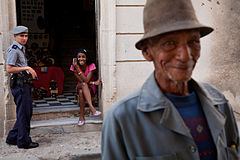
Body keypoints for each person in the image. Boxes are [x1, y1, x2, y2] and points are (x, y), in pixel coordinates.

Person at [101, 0, 240, 159]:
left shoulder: (219, 102)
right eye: (169, 43)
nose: (186, 56)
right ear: (147, 52)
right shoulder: (121, 119)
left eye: (193, 41)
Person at [5, 26, 39, 149]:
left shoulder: (21, 48)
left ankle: (13, 137)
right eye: (21, 36)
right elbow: (9, 68)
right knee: (24, 113)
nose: (24, 38)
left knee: (24, 113)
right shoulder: (14, 49)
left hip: (23, 83)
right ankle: (24, 142)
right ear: (15, 36)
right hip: (19, 84)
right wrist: (27, 68)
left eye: (26, 36)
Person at [70, 48, 101, 126]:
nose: (81, 59)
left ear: (86, 58)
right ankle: (92, 109)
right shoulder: (74, 67)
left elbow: (87, 81)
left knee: (81, 92)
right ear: (76, 58)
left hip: (90, 88)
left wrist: (91, 83)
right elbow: (82, 81)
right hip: (80, 85)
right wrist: (94, 82)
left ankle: (81, 117)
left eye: (83, 56)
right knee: (83, 85)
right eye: (79, 57)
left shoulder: (91, 65)